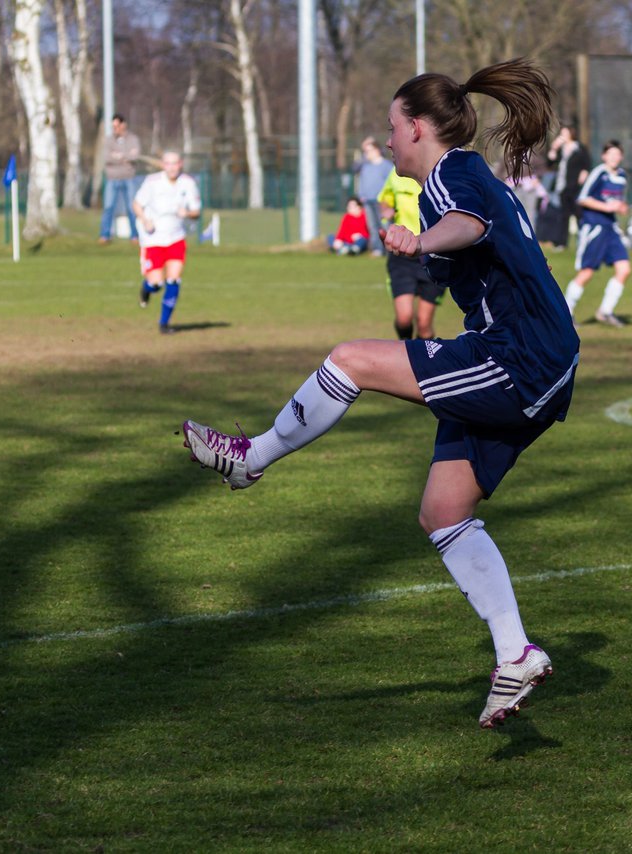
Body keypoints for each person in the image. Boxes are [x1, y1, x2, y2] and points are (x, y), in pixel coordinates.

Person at [181, 58, 578, 730]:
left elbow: (471, 225)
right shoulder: (445, 183)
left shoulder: (456, 172)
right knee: (442, 512)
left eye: (392, 126)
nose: (387, 139)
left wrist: (423, 238)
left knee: (350, 359)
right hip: (531, 359)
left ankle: (252, 458)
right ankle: (516, 654)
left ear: (419, 128)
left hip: (520, 359)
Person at [562, 139, 631, 327]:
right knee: (587, 272)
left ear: (621, 157)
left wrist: (621, 207)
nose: (614, 158)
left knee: (624, 269)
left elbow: (617, 201)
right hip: (594, 228)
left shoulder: (622, 175)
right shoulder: (599, 173)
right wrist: (607, 207)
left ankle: (605, 311)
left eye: (618, 154)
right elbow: (583, 198)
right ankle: (565, 313)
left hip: (611, 229)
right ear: (604, 156)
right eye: (611, 154)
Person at [133, 151, 201, 334]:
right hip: (153, 239)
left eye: (175, 163)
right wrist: (145, 220)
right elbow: (136, 204)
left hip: (176, 238)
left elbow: (196, 212)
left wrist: (186, 213)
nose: (172, 167)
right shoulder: (152, 182)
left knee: (173, 280)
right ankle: (146, 289)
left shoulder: (188, 183)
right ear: (163, 165)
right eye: (168, 163)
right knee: (156, 284)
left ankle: (164, 323)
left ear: (181, 164)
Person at [378, 167, 445, 339]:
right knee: (404, 318)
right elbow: (385, 198)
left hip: (433, 254)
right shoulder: (396, 172)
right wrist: (386, 209)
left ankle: (425, 362)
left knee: (423, 324)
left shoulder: (441, 172)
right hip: (402, 255)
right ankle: (405, 351)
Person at [539, 125, 590, 249]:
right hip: (562, 186)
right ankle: (562, 242)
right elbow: (550, 162)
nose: (563, 136)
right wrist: (554, 148)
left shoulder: (579, 148)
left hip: (575, 186)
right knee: (563, 215)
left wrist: (584, 173)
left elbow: (587, 163)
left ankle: (584, 240)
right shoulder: (560, 149)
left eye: (565, 133)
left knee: (578, 214)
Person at [99, 114, 141, 245]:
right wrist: (125, 157)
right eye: (113, 126)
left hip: (129, 178)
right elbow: (107, 158)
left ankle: (135, 236)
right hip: (112, 179)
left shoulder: (133, 139)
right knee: (108, 207)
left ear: (124, 125)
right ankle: (105, 235)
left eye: (117, 126)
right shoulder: (108, 140)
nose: (114, 128)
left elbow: (135, 156)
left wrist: (118, 156)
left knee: (132, 208)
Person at [355, 137, 394, 255]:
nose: (367, 154)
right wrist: (361, 195)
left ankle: (390, 250)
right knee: (373, 226)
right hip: (367, 200)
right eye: (365, 151)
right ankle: (377, 249)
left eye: (369, 150)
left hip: (381, 201)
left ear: (377, 150)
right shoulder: (365, 166)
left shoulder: (387, 166)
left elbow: (392, 182)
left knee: (385, 225)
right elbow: (360, 180)